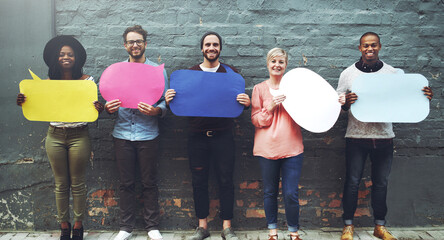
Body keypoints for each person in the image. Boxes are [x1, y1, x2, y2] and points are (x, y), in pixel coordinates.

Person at [337, 32, 433, 240]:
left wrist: (423, 97)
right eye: (365, 46)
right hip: (356, 137)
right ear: (359, 48)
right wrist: (346, 102)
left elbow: (405, 101)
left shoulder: (393, 74)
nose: (369, 49)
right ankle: (348, 226)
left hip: (384, 137)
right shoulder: (347, 74)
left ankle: (379, 226)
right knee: (352, 182)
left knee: (381, 183)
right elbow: (338, 106)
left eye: (373, 45)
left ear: (379, 46)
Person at [165, 31, 250, 240]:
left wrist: (247, 103)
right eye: (208, 45)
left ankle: (227, 227)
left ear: (220, 48)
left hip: (223, 136)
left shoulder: (231, 74)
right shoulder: (190, 74)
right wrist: (170, 99)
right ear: (202, 48)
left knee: (225, 180)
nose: (211, 48)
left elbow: (237, 104)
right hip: (197, 137)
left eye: (215, 45)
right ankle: (202, 227)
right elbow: (180, 103)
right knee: (199, 181)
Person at [17, 35, 104, 240]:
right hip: (54, 135)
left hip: (79, 135)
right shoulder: (47, 83)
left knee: (78, 183)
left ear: (76, 58)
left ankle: (78, 226)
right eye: (62, 54)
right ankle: (64, 226)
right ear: (56, 58)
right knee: (60, 183)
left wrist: (97, 107)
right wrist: (24, 101)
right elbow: (38, 106)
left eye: (70, 54)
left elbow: (91, 108)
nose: (66, 57)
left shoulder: (87, 81)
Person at [104, 25, 168, 240]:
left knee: (149, 182)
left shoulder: (157, 71)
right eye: (131, 41)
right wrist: (108, 108)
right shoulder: (116, 71)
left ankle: (152, 227)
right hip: (122, 133)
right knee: (126, 183)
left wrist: (156, 110)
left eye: (138, 41)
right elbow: (108, 99)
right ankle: (125, 228)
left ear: (145, 44)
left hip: (148, 133)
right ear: (125, 46)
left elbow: (164, 103)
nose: (135, 45)